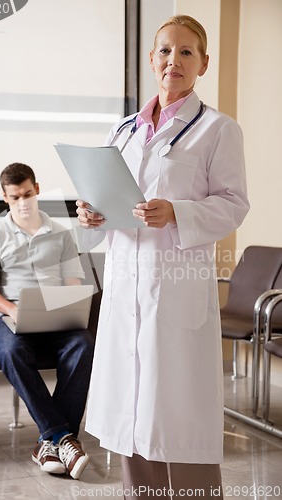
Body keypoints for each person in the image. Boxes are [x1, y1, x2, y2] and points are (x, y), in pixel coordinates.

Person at [76, 14, 249, 500]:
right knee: (134, 419)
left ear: (203, 63)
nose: (174, 60)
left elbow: (234, 205)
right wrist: (94, 215)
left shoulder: (217, 129)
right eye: (165, 51)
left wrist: (177, 212)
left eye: (186, 52)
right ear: (152, 59)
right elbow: (112, 201)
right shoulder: (124, 131)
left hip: (175, 291)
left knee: (178, 419)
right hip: (126, 287)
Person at [0, 163, 94, 480]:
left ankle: (50, 442)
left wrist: (69, 305)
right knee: (11, 351)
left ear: (37, 189)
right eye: (15, 197)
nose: (23, 202)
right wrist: (12, 310)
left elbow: (72, 283)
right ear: (5, 197)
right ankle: (62, 437)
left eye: (27, 194)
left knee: (83, 344)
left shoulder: (61, 234)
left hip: (55, 314)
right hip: (12, 315)